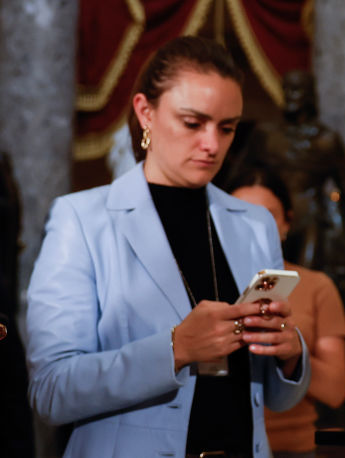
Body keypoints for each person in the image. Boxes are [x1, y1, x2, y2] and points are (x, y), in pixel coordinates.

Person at [26, 36, 310, 457]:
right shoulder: (83, 220)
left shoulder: (253, 224)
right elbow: (51, 391)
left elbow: (271, 397)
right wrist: (175, 349)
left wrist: (289, 355)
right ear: (146, 112)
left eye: (227, 127)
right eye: (193, 123)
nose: (212, 144)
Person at [233, 69, 345, 322]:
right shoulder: (267, 136)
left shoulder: (326, 140)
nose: (290, 96)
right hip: (269, 218)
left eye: (297, 90)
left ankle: (301, 341)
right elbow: (237, 178)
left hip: (309, 220)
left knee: (305, 289)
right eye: (287, 89)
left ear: (310, 95)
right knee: (257, 283)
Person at [230, 167, 345, 458]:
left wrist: (293, 355)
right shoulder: (203, 282)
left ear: (287, 223)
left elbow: (336, 390)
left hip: (293, 447)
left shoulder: (316, 286)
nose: (254, 227)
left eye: (267, 216)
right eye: (239, 215)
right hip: (222, 443)